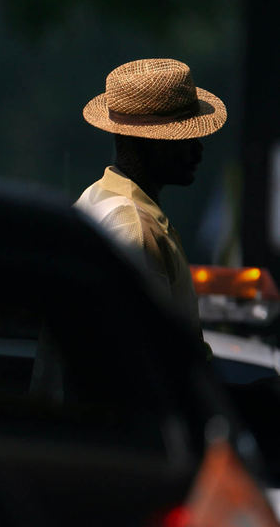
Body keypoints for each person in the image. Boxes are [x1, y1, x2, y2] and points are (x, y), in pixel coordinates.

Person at [75, 57, 226, 335]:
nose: (199, 150)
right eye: (184, 139)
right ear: (144, 144)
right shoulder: (133, 227)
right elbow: (140, 351)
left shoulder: (92, 199)